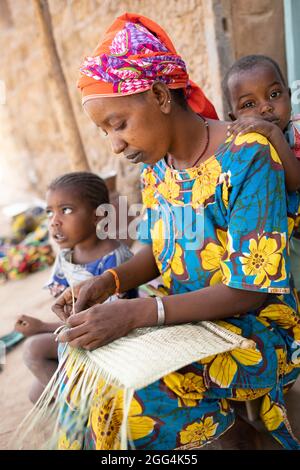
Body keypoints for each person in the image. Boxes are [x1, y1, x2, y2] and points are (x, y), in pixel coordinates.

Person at [51, 13, 300, 450]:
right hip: (185, 317)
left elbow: (250, 291)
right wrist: (105, 283)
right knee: (88, 370)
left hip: (255, 328)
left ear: (162, 95)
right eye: (105, 130)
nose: (115, 144)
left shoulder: (248, 156)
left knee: (136, 399)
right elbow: (160, 250)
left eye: (119, 123)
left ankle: (239, 437)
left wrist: (135, 314)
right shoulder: (157, 169)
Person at [14, 171, 136, 403]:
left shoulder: (114, 260)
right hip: (79, 334)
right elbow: (68, 312)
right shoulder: (66, 257)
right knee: (37, 395)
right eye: (50, 212)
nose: (54, 221)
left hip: (112, 339)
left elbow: (100, 321)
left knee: (34, 350)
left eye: (66, 210)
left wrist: (41, 327)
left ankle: (87, 413)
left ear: (98, 216)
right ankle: (82, 400)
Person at [222, 54, 300, 300]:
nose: (265, 107)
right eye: (249, 104)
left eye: (275, 95)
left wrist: (273, 134)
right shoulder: (243, 146)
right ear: (234, 118)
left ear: (289, 95)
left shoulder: (296, 131)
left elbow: (294, 183)